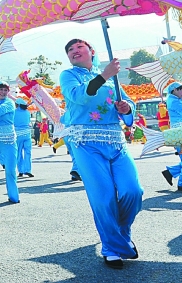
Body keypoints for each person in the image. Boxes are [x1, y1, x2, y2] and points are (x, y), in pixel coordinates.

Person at [59, 38, 143, 269]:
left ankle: (120, 236)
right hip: (85, 142)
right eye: (70, 50)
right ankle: (112, 247)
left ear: (91, 51)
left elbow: (126, 103)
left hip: (115, 140)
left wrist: (126, 109)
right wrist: (105, 75)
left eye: (79, 47)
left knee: (133, 192)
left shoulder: (110, 75)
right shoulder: (68, 76)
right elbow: (78, 96)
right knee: (103, 198)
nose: (75, 51)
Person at [14, 98, 34, 178]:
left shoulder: (14, 112)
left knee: (18, 153)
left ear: (17, 105)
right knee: (28, 153)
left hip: (18, 134)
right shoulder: (27, 112)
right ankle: (28, 170)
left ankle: (21, 170)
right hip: (27, 134)